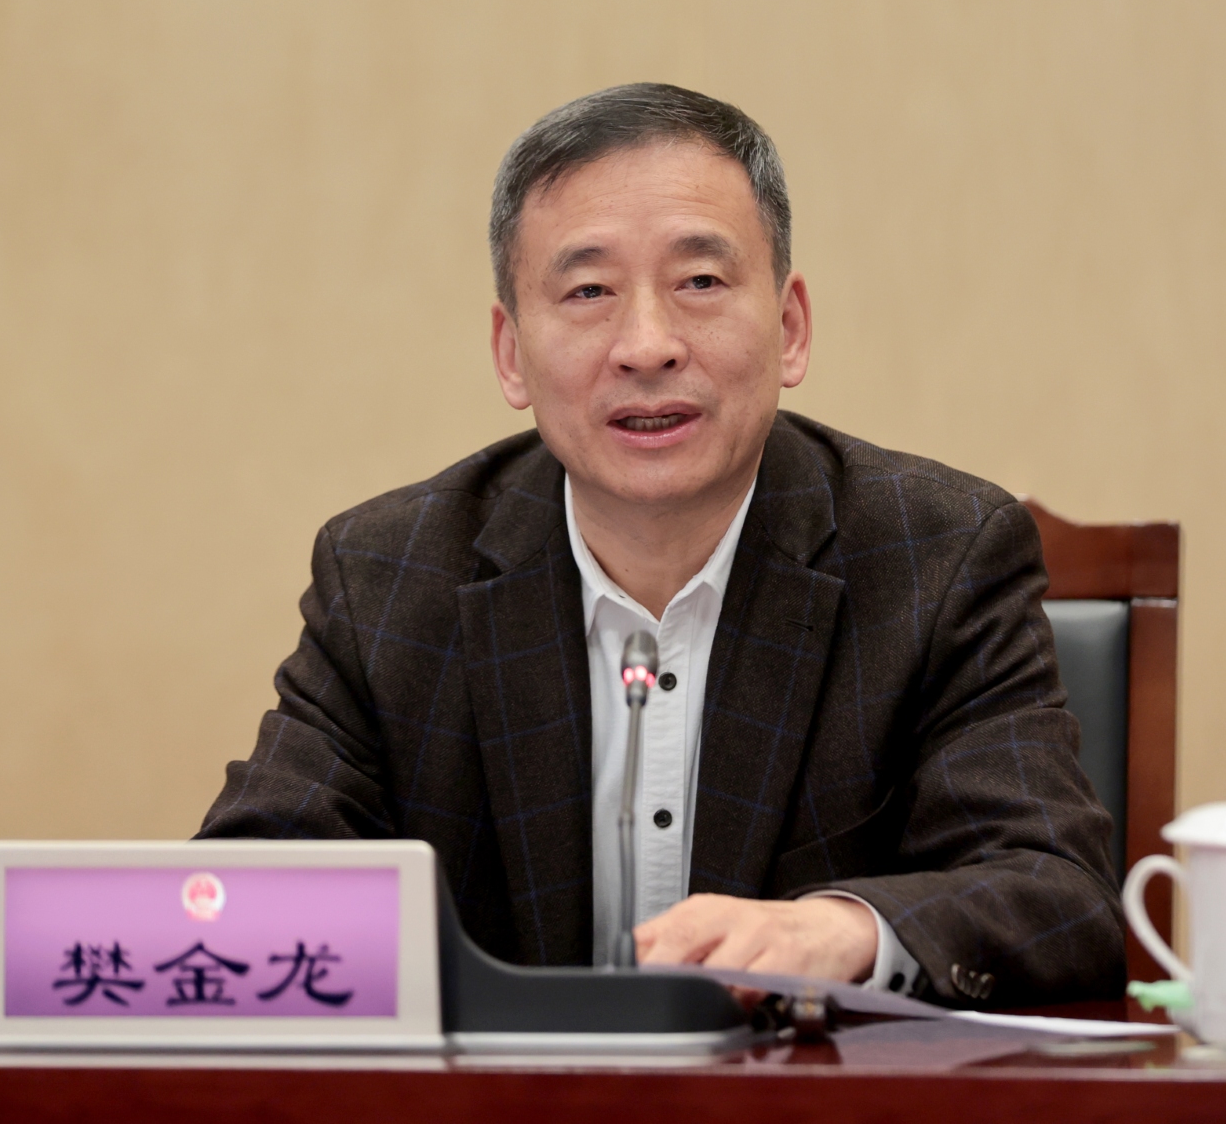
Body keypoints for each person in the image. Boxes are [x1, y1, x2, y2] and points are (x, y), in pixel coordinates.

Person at [200, 84, 1124, 1004]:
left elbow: (1058, 895)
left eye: (700, 282)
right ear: (511, 353)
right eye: (589, 291)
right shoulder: (391, 576)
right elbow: (241, 899)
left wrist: (838, 931)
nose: (647, 345)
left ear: (791, 327)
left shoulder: (938, 557)